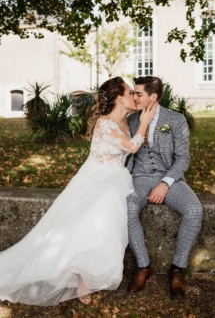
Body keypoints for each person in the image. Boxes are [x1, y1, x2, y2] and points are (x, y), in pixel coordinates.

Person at [0, 76, 156, 307]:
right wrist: (145, 122)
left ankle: (85, 271)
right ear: (120, 98)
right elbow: (132, 146)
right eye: (130, 92)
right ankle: (80, 271)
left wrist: (145, 115)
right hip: (98, 178)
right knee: (95, 218)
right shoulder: (106, 124)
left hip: (116, 177)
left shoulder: (126, 119)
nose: (134, 96)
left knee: (106, 227)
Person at [126, 76, 203, 297]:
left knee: (194, 210)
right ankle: (143, 266)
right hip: (138, 178)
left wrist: (165, 183)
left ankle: (177, 268)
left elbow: (183, 158)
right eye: (133, 92)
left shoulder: (175, 120)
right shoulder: (131, 121)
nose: (134, 97)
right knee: (128, 207)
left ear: (154, 97)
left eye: (138, 93)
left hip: (168, 177)